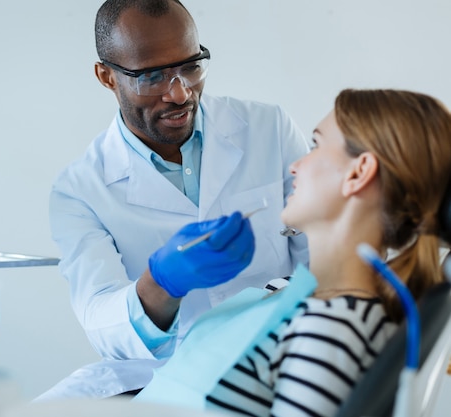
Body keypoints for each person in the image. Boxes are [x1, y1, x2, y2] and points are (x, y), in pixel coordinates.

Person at [44, 0, 309, 398]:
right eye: (151, 76)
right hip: (159, 376)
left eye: (191, 66)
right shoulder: (80, 189)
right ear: (106, 77)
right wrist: (161, 283)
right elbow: (102, 323)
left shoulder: (268, 128)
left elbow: (325, 260)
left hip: (277, 353)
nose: (180, 93)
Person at [135, 88, 451, 416]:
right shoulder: (286, 290)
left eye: (316, 144)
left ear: (358, 173)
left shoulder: (334, 326)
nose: (296, 166)